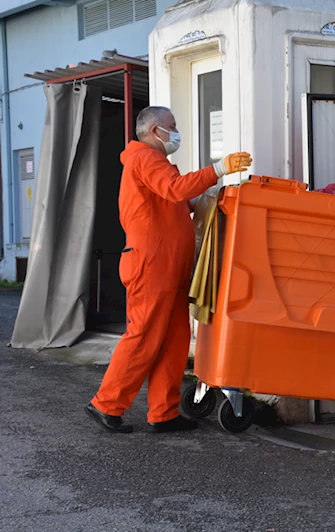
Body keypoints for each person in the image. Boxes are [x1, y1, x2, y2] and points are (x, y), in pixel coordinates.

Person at [86, 106, 252, 433]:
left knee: (173, 340)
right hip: (152, 264)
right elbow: (175, 190)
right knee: (145, 337)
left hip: (168, 266)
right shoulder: (145, 159)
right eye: (171, 127)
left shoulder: (155, 165)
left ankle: (164, 412)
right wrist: (218, 169)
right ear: (153, 131)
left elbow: (177, 200)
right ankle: (106, 404)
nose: (176, 132)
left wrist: (206, 197)